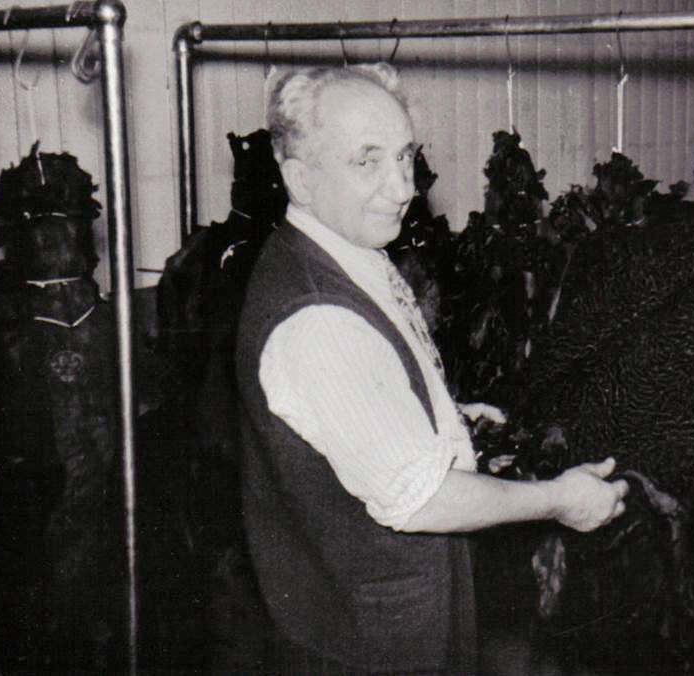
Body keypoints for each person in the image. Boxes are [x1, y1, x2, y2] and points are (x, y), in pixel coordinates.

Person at [236, 63, 629, 674]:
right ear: (299, 178)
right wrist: (559, 499)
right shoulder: (316, 318)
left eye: (404, 157)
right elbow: (421, 502)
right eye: (367, 162)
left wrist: (449, 418)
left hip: (392, 613)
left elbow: (362, 401)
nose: (401, 188)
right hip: (368, 640)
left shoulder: (347, 248)